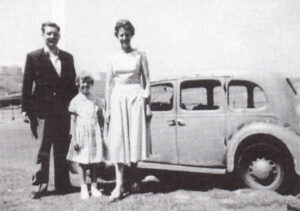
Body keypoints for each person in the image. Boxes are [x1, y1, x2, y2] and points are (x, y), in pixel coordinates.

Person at [21, 22, 77, 199]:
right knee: (42, 150)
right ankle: (39, 186)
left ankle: (63, 184)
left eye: (55, 34)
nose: (52, 37)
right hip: (42, 112)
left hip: (63, 112)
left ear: (59, 36)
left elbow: (72, 88)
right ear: (43, 35)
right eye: (49, 34)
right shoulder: (33, 57)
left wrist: (75, 108)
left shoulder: (68, 58)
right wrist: (25, 110)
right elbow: (27, 86)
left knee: (62, 149)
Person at [105, 19, 151, 201]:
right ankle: (119, 185)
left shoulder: (140, 55)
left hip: (135, 99)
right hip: (117, 99)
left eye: (127, 34)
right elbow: (108, 85)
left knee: (133, 140)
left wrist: (147, 104)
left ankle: (133, 180)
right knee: (118, 142)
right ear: (117, 36)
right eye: (121, 35)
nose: (124, 37)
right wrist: (107, 108)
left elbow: (147, 81)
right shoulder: (112, 57)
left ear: (132, 35)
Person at [66, 72, 105, 200]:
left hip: (94, 133)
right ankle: (84, 187)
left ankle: (94, 186)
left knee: (94, 161)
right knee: (82, 162)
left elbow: (100, 118)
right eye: (83, 82)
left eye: (88, 83)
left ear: (91, 84)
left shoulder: (96, 99)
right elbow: (72, 121)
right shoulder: (75, 101)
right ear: (78, 83)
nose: (85, 85)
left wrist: (103, 132)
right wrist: (75, 138)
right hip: (81, 134)